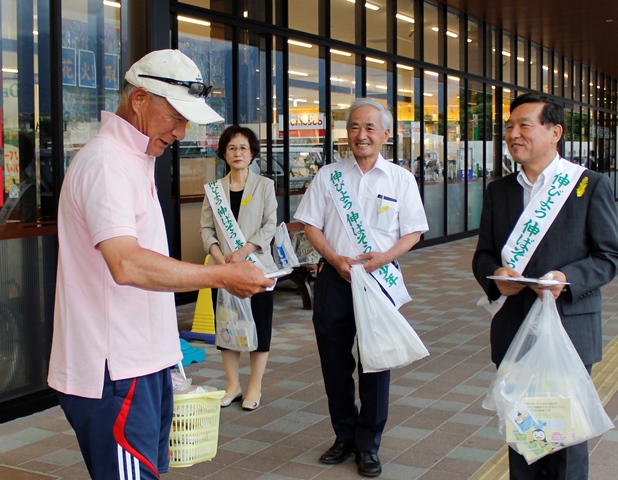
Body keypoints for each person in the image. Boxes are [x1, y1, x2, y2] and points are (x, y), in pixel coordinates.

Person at [47, 49, 274, 480]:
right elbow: (127, 264)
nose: (182, 130)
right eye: (175, 115)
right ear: (139, 100)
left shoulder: (136, 158)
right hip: (114, 369)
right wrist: (222, 274)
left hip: (139, 361)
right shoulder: (106, 162)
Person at [472, 92, 618, 480]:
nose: (513, 134)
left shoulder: (589, 185)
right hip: (515, 327)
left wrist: (567, 279)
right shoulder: (499, 190)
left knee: (564, 438)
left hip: (568, 328)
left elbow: (610, 256)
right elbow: (484, 256)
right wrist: (496, 278)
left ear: (555, 132)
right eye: (509, 126)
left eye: (525, 125)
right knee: (522, 435)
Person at [294, 98, 428, 478]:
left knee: (376, 363)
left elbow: (414, 232)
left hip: (378, 281)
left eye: (370, 128)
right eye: (355, 127)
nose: (361, 134)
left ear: (386, 134)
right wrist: (335, 259)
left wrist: (384, 257)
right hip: (336, 279)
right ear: (346, 133)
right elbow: (310, 224)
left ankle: (369, 444)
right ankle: (344, 435)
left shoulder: (401, 179)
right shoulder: (328, 176)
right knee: (334, 365)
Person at [200, 125, 277, 411]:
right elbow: (206, 229)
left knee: (260, 325)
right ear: (224, 153)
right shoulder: (214, 191)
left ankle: (254, 386)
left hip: (256, 267)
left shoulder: (264, 185)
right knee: (227, 326)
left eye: (243, 148)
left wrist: (244, 251)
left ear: (252, 152)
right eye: (232, 148)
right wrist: (219, 257)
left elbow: (270, 224)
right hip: (223, 271)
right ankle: (233, 385)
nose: (237, 153)